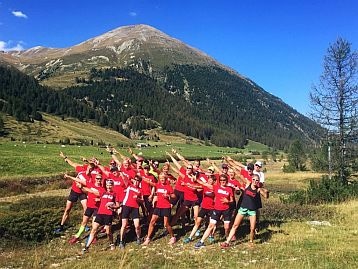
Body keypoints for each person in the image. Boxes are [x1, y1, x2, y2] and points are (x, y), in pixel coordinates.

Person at [220, 174, 269, 249]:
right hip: (243, 208)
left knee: (252, 228)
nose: (255, 181)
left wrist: (267, 192)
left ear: (258, 181)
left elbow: (266, 197)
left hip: (252, 210)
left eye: (257, 180)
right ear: (251, 179)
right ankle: (227, 242)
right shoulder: (247, 185)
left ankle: (251, 241)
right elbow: (240, 176)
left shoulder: (258, 189)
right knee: (235, 225)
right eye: (254, 179)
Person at [194, 174, 234, 249]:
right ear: (219, 181)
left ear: (226, 181)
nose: (222, 181)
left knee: (227, 227)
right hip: (217, 209)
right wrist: (196, 180)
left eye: (224, 180)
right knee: (211, 226)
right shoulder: (216, 187)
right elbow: (204, 184)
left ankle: (227, 240)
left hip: (226, 210)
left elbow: (232, 200)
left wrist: (228, 201)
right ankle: (201, 241)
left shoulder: (229, 189)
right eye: (221, 180)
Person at [81, 179, 120, 254]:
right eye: (107, 185)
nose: (109, 187)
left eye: (110, 185)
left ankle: (111, 243)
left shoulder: (114, 194)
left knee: (108, 232)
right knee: (94, 229)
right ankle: (86, 247)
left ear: (112, 186)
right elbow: (93, 191)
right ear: (106, 185)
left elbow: (118, 205)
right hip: (100, 213)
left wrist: (112, 207)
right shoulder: (103, 193)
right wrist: (82, 187)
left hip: (108, 214)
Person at [67, 173, 105, 244]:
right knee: (84, 222)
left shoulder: (102, 189)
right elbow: (79, 180)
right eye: (97, 178)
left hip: (97, 209)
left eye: (100, 179)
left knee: (94, 226)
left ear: (101, 180)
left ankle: (94, 236)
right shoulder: (91, 184)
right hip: (89, 207)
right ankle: (77, 236)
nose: (98, 180)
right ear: (95, 179)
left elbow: (98, 194)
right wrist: (69, 176)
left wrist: (82, 188)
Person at [142, 173, 176, 245]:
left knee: (166, 224)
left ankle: (173, 237)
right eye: (161, 178)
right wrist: (141, 176)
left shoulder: (168, 187)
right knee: (152, 222)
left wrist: (168, 195)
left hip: (166, 207)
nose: (162, 180)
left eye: (163, 178)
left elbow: (174, 196)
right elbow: (150, 182)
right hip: (158, 207)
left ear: (165, 179)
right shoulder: (158, 185)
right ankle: (148, 238)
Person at [183, 174, 216, 243]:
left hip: (211, 208)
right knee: (197, 222)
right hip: (204, 207)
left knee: (211, 223)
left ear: (214, 181)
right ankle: (190, 237)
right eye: (209, 179)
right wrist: (186, 184)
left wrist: (197, 179)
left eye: (211, 180)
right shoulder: (205, 186)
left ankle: (211, 236)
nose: (209, 180)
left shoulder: (214, 187)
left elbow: (205, 185)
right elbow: (196, 186)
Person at [117, 175, 143, 248]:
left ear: (139, 182)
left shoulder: (140, 190)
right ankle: (121, 241)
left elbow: (142, 200)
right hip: (126, 206)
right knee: (124, 225)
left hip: (135, 207)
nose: (136, 181)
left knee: (137, 225)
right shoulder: (129, 185)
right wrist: (120, 171)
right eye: (135, 180)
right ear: (133, 180)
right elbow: (124, 178)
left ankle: (138, 238)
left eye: (138, 180)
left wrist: (137, 199)